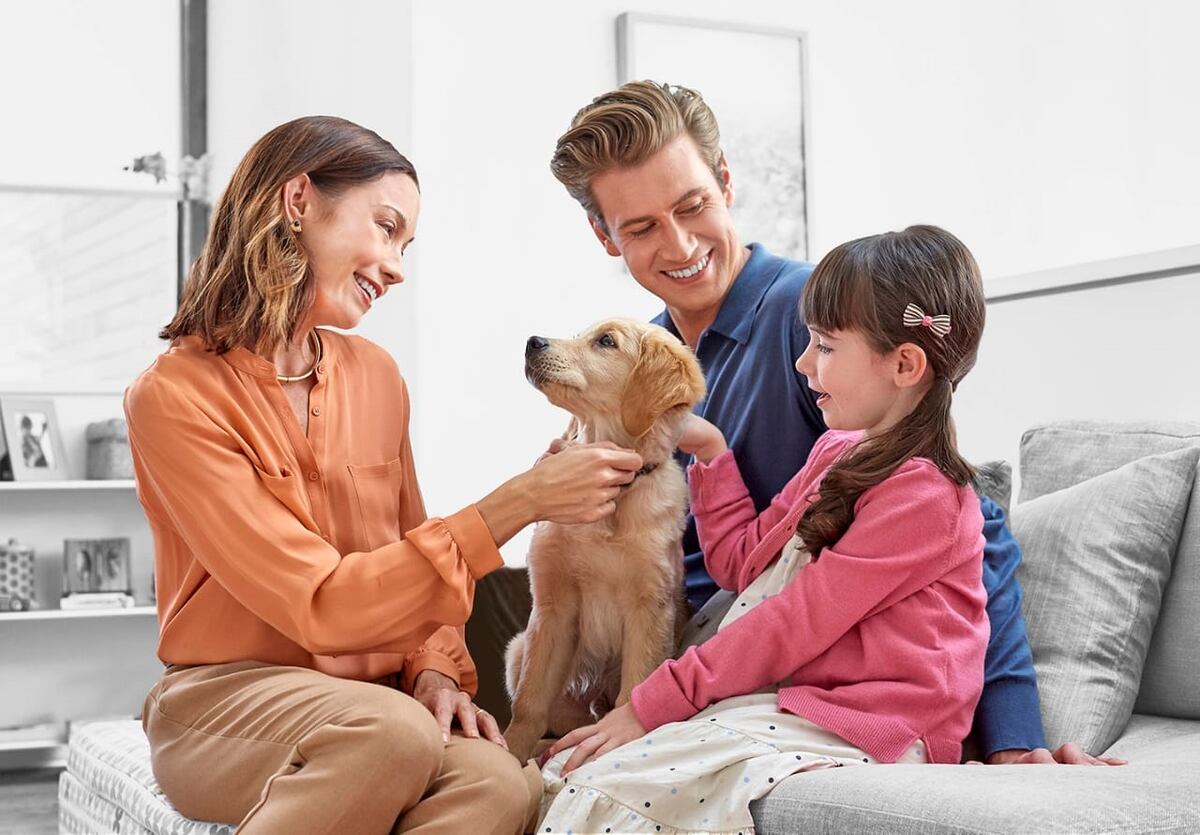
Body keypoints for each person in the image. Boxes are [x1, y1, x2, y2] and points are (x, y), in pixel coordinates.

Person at [546, 80, 1125, 767]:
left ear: (726, 181)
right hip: (665, 641)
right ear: (603, 235)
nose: (678, 244)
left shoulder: (813, 321)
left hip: (756, 668)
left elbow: (971, 523)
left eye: (692, 205)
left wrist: (1013, 738)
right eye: (640, 227)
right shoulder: (636, 355)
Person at [124, 115, 645, 834]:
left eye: (407, 244)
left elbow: (413, 546)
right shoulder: (174, 396)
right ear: (299, 200)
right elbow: (319, 602)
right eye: (385, 227)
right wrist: (520, 500)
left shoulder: (377, 376)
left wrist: (433, 664)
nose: (398, 265)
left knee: (503, 783)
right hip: (222, 701)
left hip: (377, 699)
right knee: (391, 734)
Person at [537, 225, 993, 832]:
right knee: (570, 768)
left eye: (826, 347)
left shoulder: (928, 497)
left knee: (611, 783)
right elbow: (742, 566)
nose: (804, 363)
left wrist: (652, 705)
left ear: (905, 363)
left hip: (877, 725)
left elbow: (793, 622)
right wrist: (710, 451)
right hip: (805, 704)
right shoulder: (835, 452)